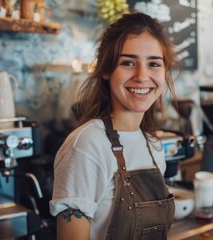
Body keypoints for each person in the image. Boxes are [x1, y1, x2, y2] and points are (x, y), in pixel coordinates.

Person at [49, 12, 180, 240]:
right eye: (128, 63)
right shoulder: (87, 146)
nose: (142, 76)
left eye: (154, 64)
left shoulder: (152, 147)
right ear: (107, 71)